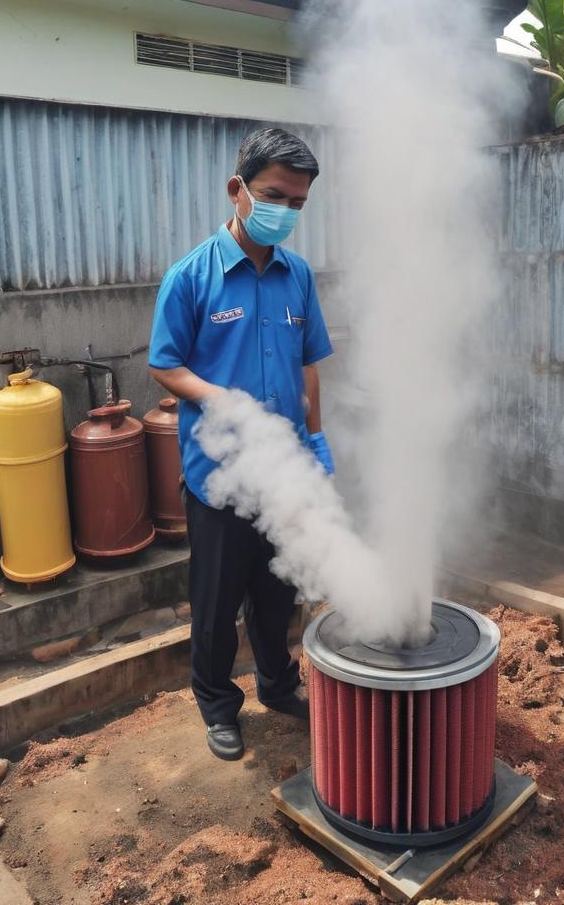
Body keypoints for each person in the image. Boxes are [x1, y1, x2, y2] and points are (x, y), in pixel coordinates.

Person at [149, 127, 334, 762]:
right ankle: (217, 704)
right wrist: (213, 396)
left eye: (299, 204)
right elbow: (164, 366)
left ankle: (279, 685)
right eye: (274, 196)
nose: (286, 212)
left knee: (277, 592)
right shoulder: (190, 278)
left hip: (284, 469)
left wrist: (316, 437)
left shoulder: (298, 277)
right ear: (238, 191)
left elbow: (310, 364)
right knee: (217, 602)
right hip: (219, 474)